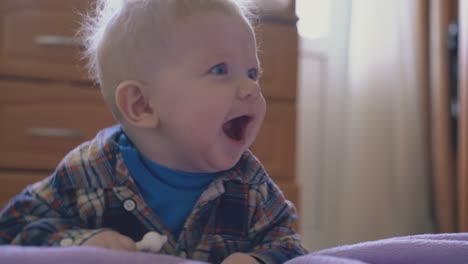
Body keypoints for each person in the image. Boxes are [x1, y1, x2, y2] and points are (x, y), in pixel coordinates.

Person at [0, 0, 306, 263]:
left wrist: (256, 259)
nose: (251, 88)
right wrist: (80, 241)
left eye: (253, 73)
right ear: (142, 105)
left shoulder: (251, 184)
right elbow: (13, 229)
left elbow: (288, 243)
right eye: (220, 70)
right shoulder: (89, 172)